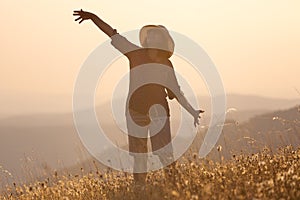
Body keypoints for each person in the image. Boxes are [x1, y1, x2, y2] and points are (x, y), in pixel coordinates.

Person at [73, 9, 204, 189]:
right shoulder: (134, 53)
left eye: (156, 36)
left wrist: (193, 111)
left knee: (165, 154)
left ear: (163, 41)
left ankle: (174, 187)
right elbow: (112, 34)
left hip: (159, 113)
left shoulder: (166, 64)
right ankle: (139, 189)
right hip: (135, 112)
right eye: (150, 36)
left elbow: (176, 92)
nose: (152, 38)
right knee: (139, 155)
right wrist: (93, 18)